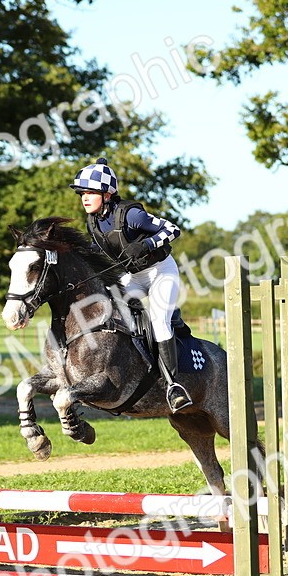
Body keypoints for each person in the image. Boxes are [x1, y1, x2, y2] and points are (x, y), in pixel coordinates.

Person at [70, 157, 192, 411]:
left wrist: (147, 244)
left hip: (161, 272)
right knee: (109, 309)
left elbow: (172, 229)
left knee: (158, 321)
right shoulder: (93, 222)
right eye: (82, 193)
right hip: (133, 276)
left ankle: (174, 386)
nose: (84, 198)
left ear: (107, 194)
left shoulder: (132, 215)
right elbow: (97, 250)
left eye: (90, 192)